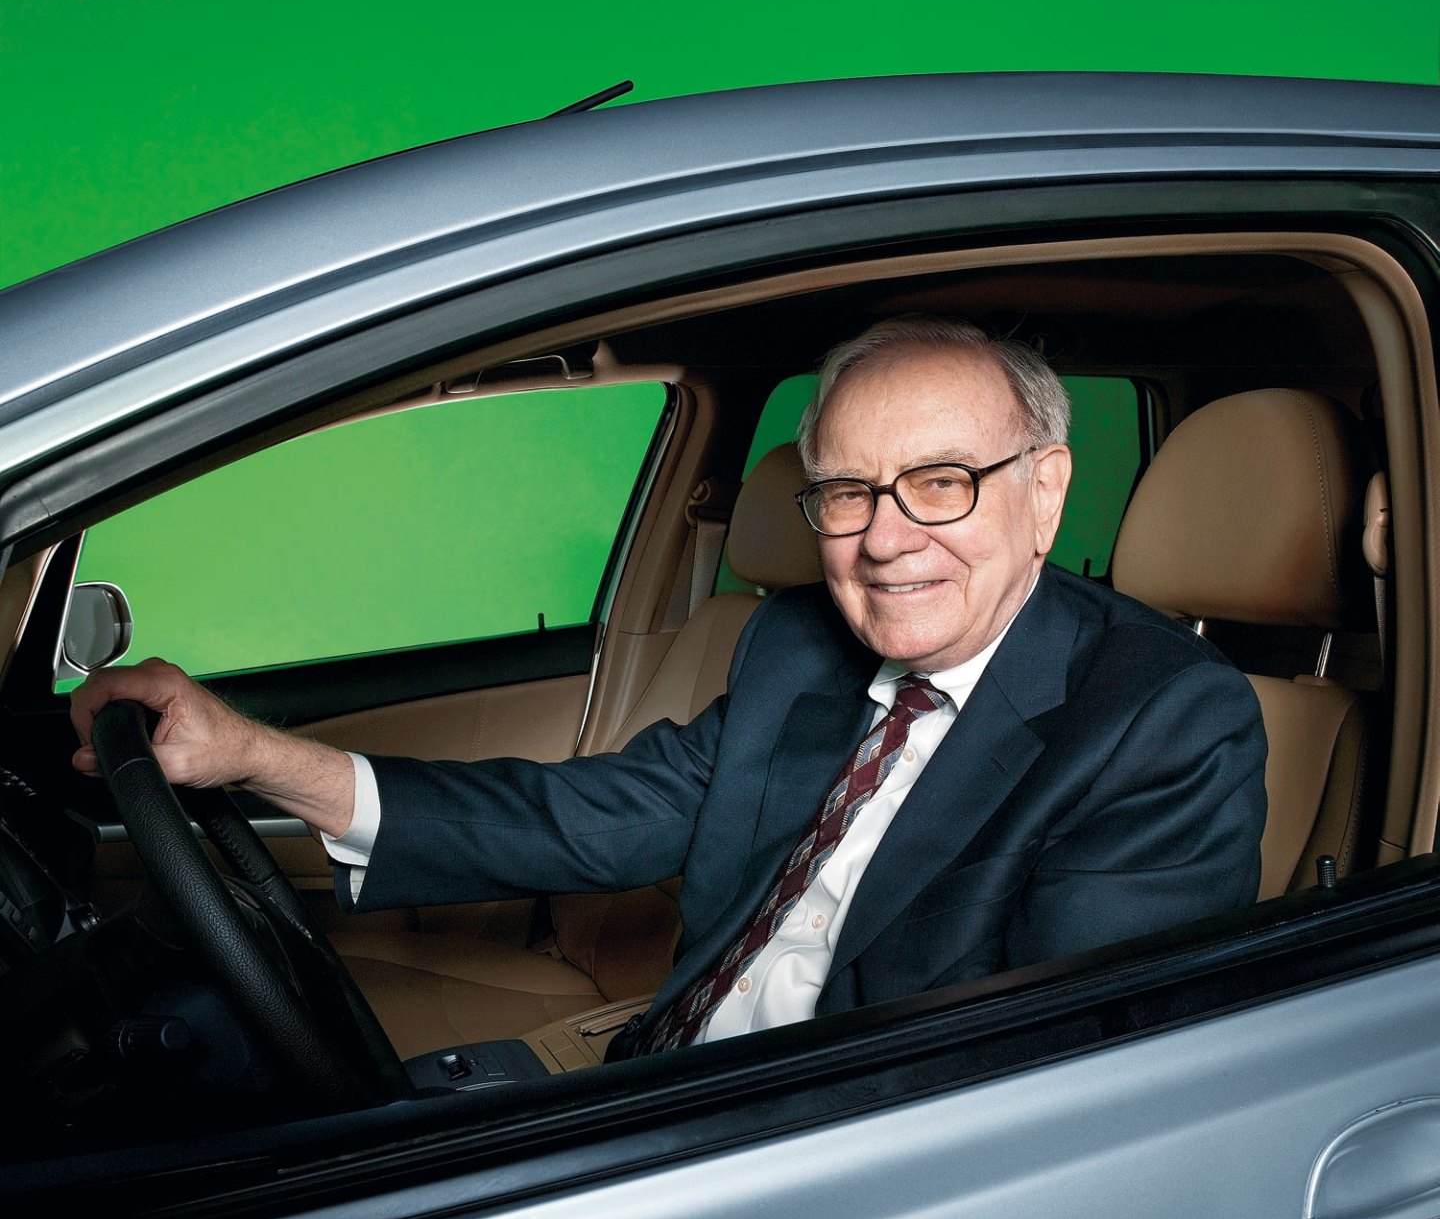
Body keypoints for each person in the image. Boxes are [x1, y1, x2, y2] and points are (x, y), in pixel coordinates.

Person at [72, 318, 1268, 1059]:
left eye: (942, 481)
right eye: (847, 492)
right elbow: (583, 818)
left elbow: (1053, 1077)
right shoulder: (798, 648)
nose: (887, 539)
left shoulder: (1162, 723)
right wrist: (253, 755)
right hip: (655, 1065)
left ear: (1047, 490)